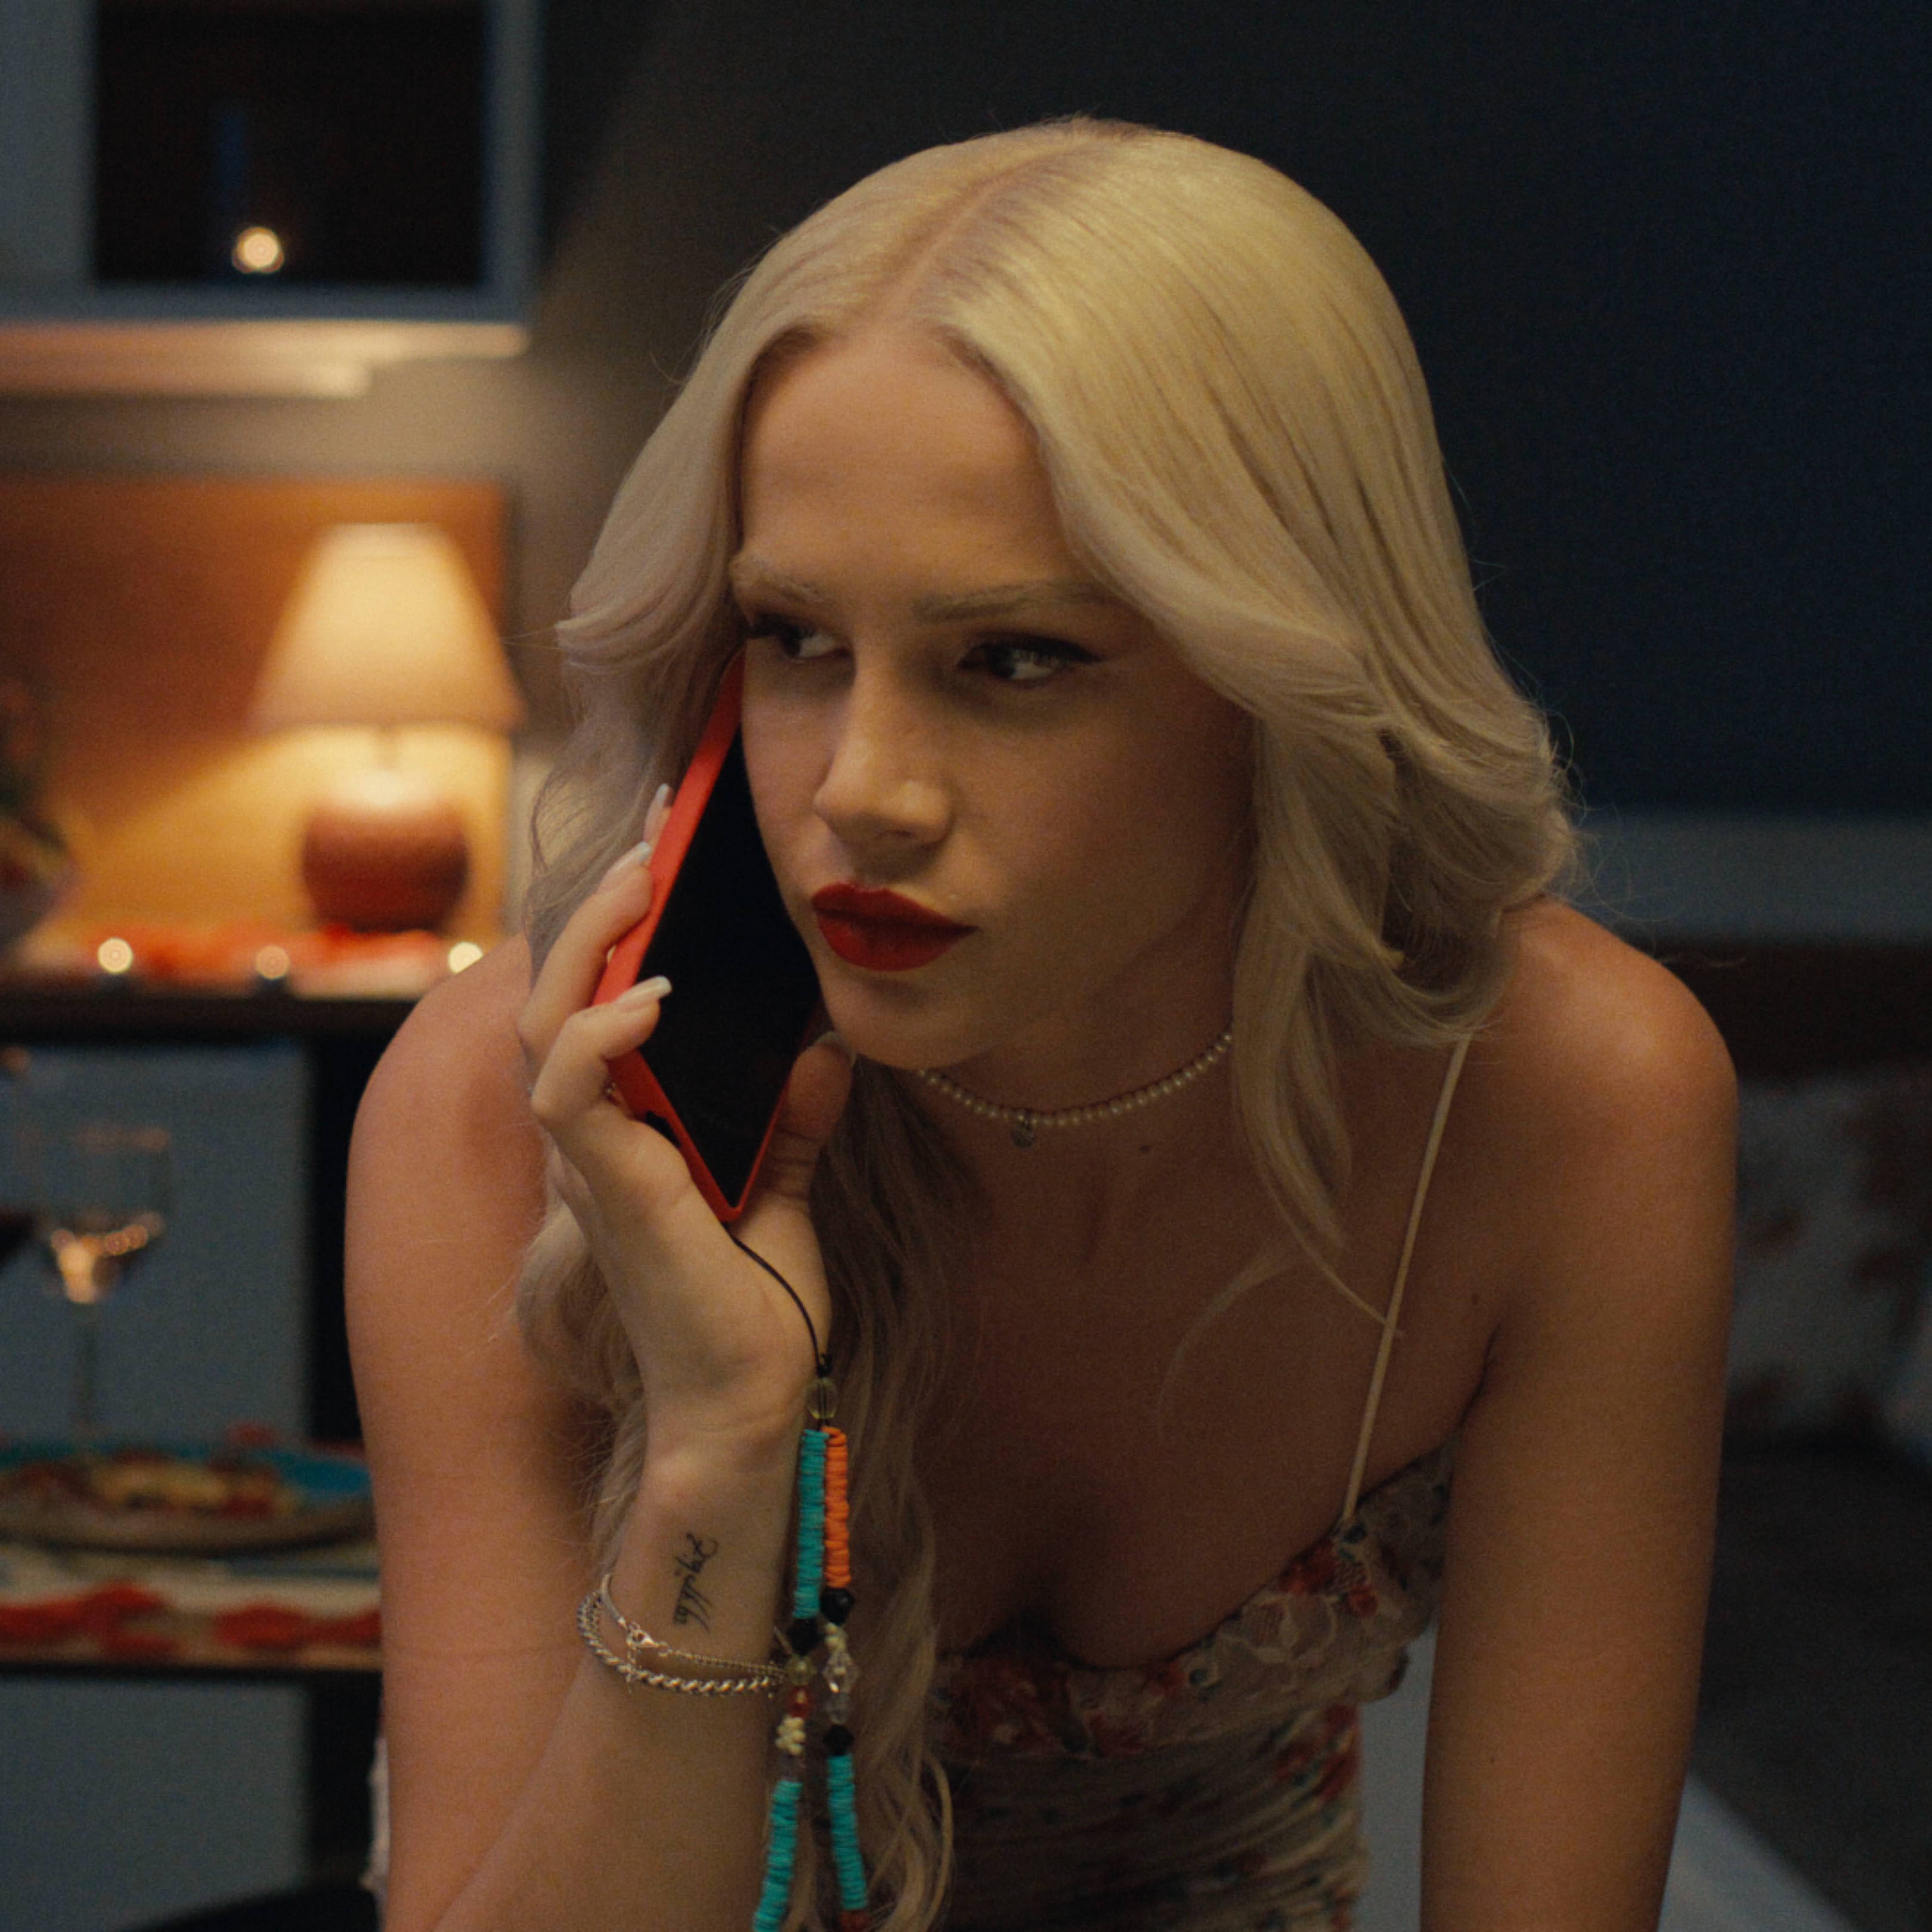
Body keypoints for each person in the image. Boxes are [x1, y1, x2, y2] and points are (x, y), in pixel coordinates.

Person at [346, 119, 1736, 1932]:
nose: (866, 791)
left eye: (1015, 660)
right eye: (795, 638)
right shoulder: (514, 1110)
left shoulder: (1566, 1101)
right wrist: (719, 1445)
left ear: (1282, 682)